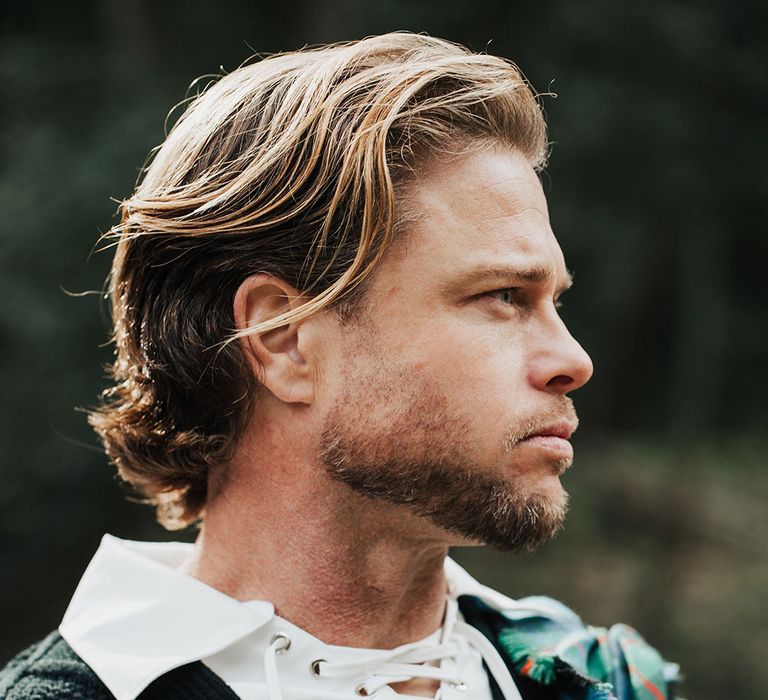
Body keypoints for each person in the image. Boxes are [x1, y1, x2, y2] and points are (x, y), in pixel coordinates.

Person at [0, 32, 682, 700]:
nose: (573, 360)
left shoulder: (601, 681)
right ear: (284, 340)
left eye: (554, 301)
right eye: (504, 296)